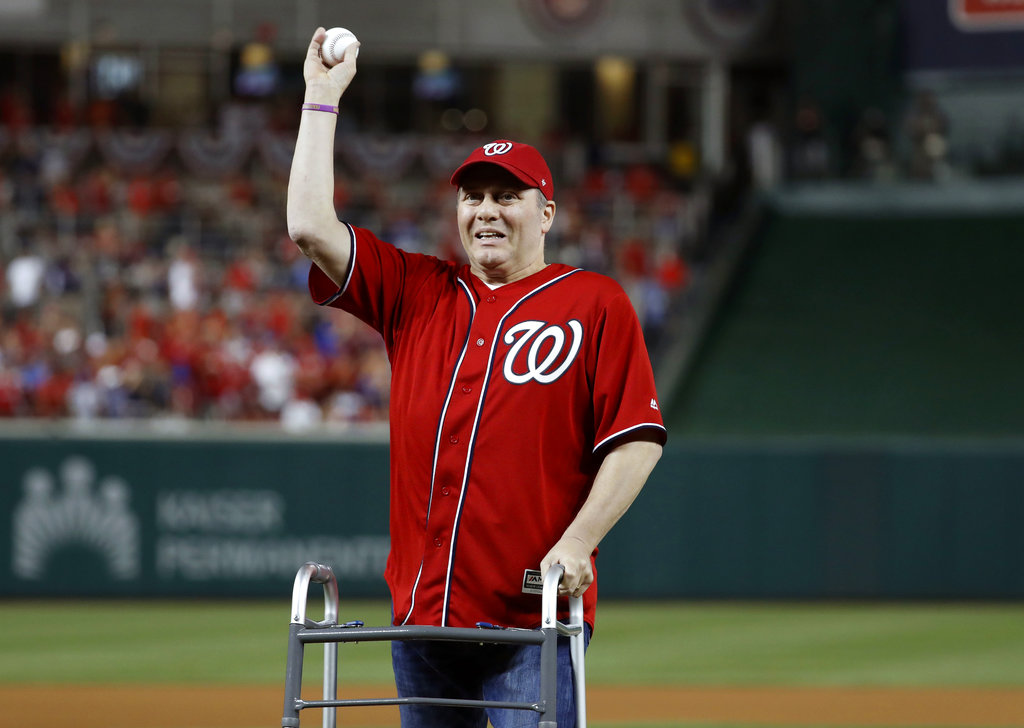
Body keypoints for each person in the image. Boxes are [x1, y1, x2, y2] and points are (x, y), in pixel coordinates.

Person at [287, 27, 666, 728]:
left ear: (545, 214)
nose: (485, 210)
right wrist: (321, 96)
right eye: (472, 197)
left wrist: (579, 542)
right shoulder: (416, 290)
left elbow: (636, 439)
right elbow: (309, 226)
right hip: (424, 620)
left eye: (507, 196)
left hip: (532, 617)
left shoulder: (594, 302)